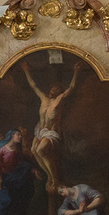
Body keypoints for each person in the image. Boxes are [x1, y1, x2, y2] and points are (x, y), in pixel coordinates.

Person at [23, 58, 82, 192]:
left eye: (58, 88)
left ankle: (54, 178)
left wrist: (76, 72)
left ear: (59, 92)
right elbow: (33, 86)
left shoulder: (59, 100)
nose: (54, 89)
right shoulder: (43, 98)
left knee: (40, 150)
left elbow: (71, 87)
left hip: (51, 132)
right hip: (40, 130)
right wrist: (26, 71)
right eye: (53, 87)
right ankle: (49, 175)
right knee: (33, 151)